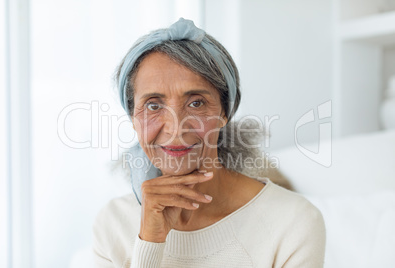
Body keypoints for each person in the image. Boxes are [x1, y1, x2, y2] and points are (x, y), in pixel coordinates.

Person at [92, 18, 326, 267]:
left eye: (196, 103)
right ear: (133, 118)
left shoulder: (294, 223)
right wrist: (150, 241)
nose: (175, 128)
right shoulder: (113, 224)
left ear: (225, 112)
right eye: (153, 105)